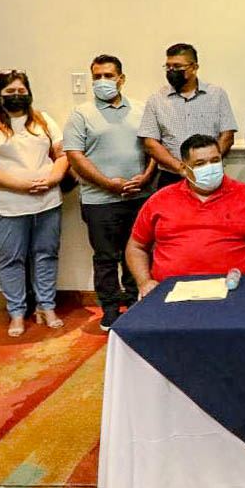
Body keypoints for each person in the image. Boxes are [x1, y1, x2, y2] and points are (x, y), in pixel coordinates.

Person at [0, 70, 68, 337]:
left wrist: (54, 178)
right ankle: (17, 312)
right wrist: (20, 185)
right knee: (11, 260)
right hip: (8, 206)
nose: (16, 96)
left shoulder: (43, 120)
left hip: (47, 202)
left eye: (21, 91)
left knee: (46, 254)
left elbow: (62, 154)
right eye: (9, 92)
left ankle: (46, 306)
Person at [63, 54, 155, 329]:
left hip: (139, 197)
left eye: (108, 76)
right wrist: (106, 183)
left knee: (139, 252)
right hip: (99, 200)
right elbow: (74, 155)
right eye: (97, 77)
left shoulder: (141, 110)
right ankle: (111, 310)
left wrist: (147, 177)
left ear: (121, 79)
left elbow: (153, 147)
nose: (102, 81)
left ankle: (137, 303)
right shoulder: (81, 114)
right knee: (106, 258)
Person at [126, 134, 245, 298]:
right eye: (200, 164)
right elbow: (136, 247)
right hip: (172, 293)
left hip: (236, 291)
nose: (210, 167)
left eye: (215, 161)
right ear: (184, 168)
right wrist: (144, 282)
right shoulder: (159, 200)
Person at [138, 43, 238, 189]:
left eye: (177, 66)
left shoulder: (217, 95)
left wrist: (207, 165)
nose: (171, 71)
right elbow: (150, 143)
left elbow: (227, 136)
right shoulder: (156, 100)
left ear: (194, 67)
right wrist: (181, 168)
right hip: (171, 176)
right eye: (168, 66)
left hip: (210, 176)